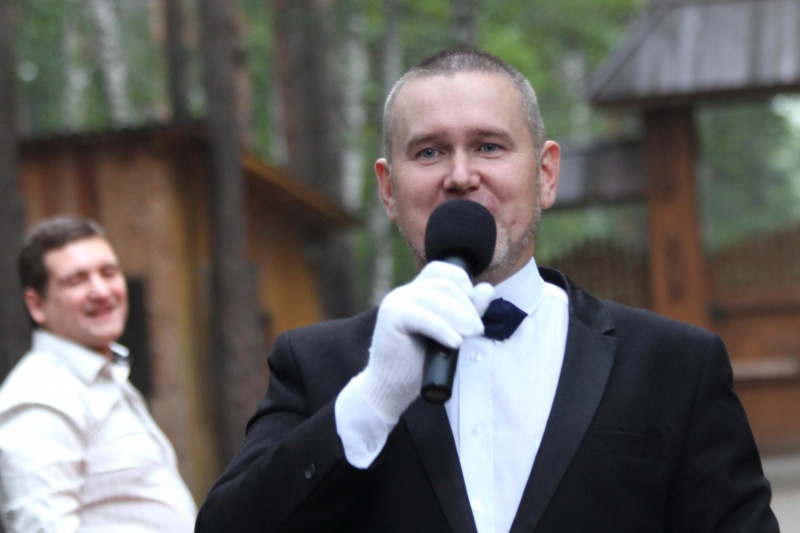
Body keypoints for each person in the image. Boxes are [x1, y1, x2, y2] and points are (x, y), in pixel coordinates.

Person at [195, 48, 778, 532]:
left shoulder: (676, 364)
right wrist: (373, 398)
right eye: (429, 151)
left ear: (545, 174)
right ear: (389, 189)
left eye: (489, 146)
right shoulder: (316, 364)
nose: (460, 175)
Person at [0, 216, 197, 532]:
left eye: (108, 273)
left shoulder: (104, 376)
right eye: (76, 281)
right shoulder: (39, 396)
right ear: (37, 305)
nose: (102, 291)